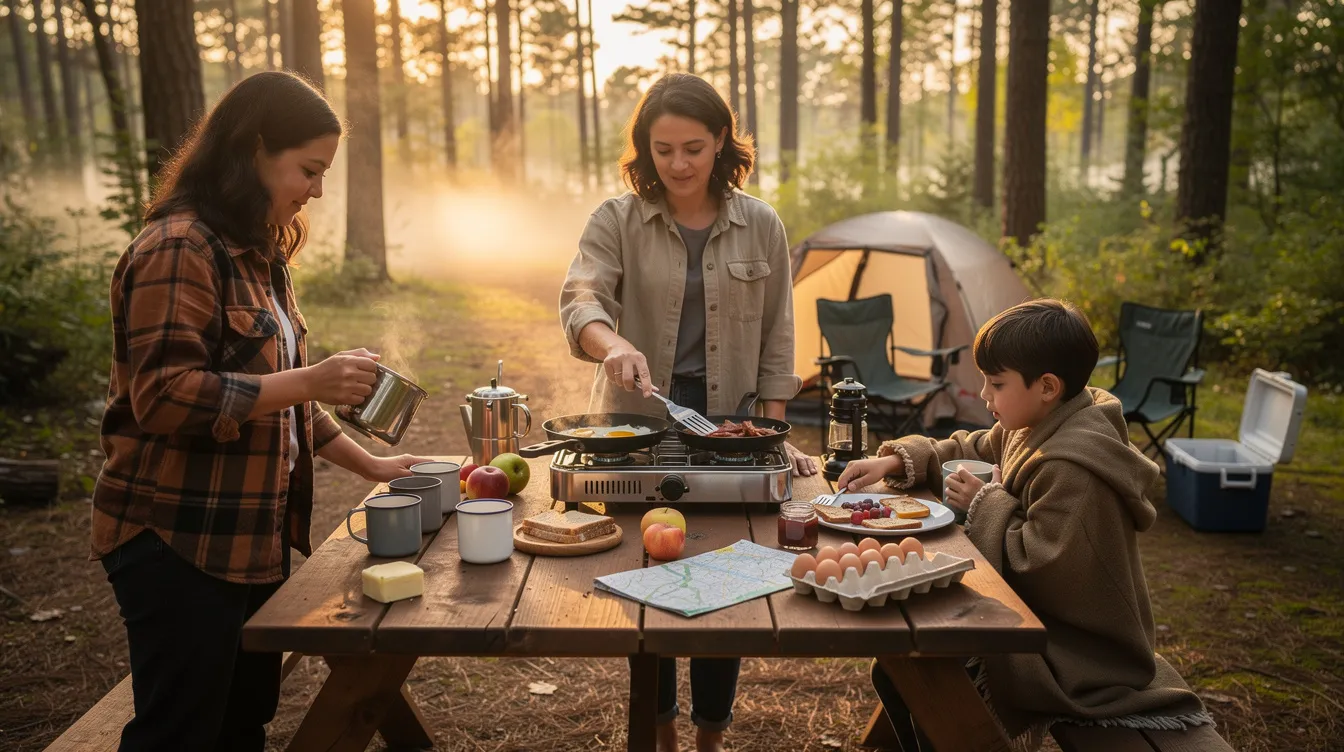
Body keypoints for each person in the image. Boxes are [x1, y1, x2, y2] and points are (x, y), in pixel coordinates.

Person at [90, 72, 431, 752]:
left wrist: (371, 463)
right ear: (253, 150)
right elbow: (162, 397)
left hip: (252, 539)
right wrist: (309, 378)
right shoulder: (179, 248)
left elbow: (278, 400)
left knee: (242, 722)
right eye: (309, 169)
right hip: (177, 540)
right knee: (180, 731)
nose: (317, 190)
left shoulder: (262, 253)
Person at [559, 72, 813, 752]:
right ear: (644, 146)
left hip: (730, 431)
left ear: (722, 141)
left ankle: (710, 737)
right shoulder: (616, 219)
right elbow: (581, 298)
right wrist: (611, 344)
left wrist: (771, 433)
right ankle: (661, 731)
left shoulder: (760, 223)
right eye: (663, 148)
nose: (677, 164)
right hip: (638, 429)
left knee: (722, 583)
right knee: (651, 580)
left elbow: (778, 336)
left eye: (694, 148)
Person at [838, 299, 1214, 752]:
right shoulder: (1038, 420)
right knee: (899, 668)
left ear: (1048, 386)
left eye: (996, 384)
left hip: (1078, 651)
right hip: (1035, 618)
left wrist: (985, 502)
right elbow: (977, 446)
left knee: (930, 674)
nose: (983, 395)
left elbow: (1042, 562)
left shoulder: (1073, 468)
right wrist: (894, 459)